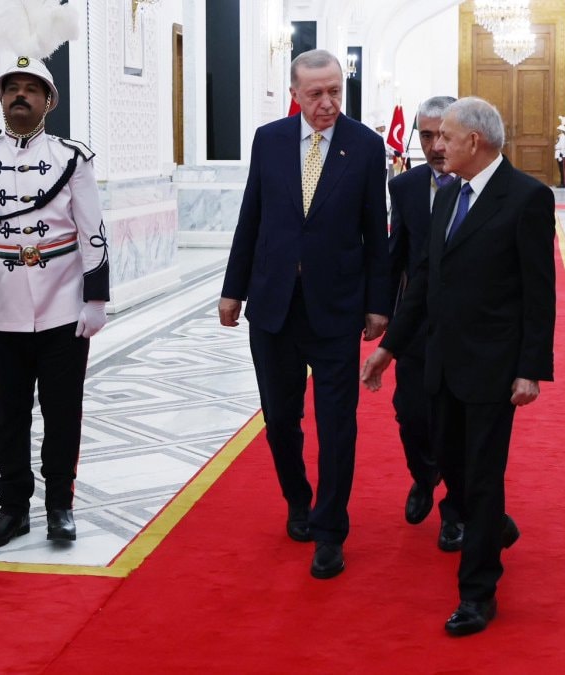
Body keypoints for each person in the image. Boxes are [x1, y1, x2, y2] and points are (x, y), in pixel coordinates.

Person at [361, 97, 556, 636]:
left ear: (475, 140)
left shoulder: (528, 198)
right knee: (449, 461)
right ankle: (494, 526)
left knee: (482, 475)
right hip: (440, 361)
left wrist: (531, 369)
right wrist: (390, 348)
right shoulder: (447, 195)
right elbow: (424, 282)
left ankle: (477, 593)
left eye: (445, 136)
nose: (436, 146)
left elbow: (540, 293)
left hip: (494, 367)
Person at [219, 49, 390, 580]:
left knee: (337, 425)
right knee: (279, 419)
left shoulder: (365, 146)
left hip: (336, 307)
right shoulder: (269, 140)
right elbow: (251, 217)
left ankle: (331, 530)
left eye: (335, 91)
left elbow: (376, 233)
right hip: (274, 306)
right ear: (294, 94)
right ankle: (298, 499)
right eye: (316, 94)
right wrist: (233, 290)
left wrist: (378, 305)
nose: (328, 103)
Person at [0, 55, 110, 548]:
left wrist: (95, 300)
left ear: (49, 101)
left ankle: (60, 504)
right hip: (3, 308)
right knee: (9, 415)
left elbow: (93, 234)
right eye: (12, 88)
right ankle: (13, 509)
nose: (21, 95)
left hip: (63, 306)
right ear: (1, 98)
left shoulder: (72, 159)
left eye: (32, 88)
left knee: (62, 413)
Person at [386, 95, 466, 551]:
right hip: (416, 328)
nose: (436, 146)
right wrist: (380, 311)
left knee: (459, 425)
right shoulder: (405, 187)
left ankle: (455, 511)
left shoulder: (486, 184)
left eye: (443, 135)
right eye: (426, 136)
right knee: (411, 415)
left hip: (468, 331)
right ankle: (423, 474)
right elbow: (397, 255)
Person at [554, 122, 565, 188]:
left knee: (562, 170)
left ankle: (563, 183)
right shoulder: (560, 136)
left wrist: (561, 155)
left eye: (559, 129)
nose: (558, 130)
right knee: (560, 169)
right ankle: (561, 183)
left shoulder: (562, 137)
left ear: (561, 130)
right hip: (558, 153)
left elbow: (562, 146)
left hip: (560, 154)